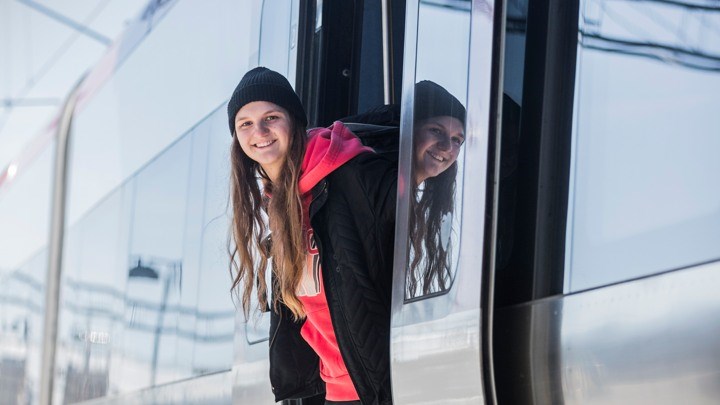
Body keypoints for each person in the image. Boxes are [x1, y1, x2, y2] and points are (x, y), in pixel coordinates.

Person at [226, 67, 396, 405]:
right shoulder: (276, 206)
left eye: (271, 117)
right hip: (331, 391)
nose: (258, 131)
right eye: (245, 123)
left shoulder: (350, 175)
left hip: (374, 386)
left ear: (294, 121)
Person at [406, 80, 466, 298]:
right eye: (435, 130)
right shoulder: (381, 190)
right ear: (409, 130)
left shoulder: (406, 196)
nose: (447, 147)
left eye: (457, 140)